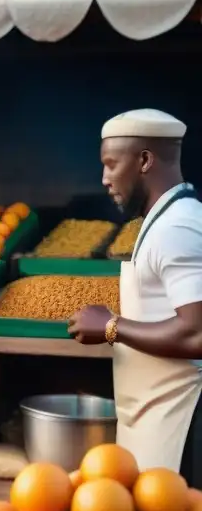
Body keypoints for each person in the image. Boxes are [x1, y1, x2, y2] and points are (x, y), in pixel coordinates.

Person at [69, 109, 202, 487]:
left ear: (145, 160)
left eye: (111, 164)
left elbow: (197, 334)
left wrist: (111, 326)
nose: (104, 179)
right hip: (157, 413)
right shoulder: (163, 220)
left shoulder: (178, 226)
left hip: (182, 426)